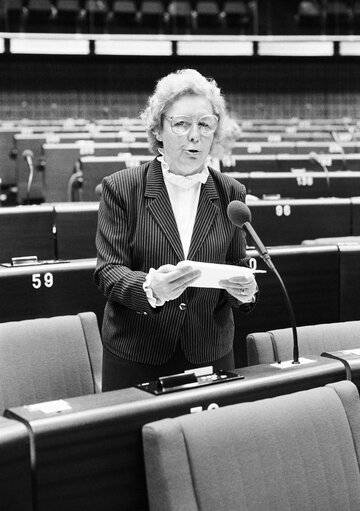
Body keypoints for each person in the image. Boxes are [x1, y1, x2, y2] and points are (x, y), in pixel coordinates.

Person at [94, 68, 258, 391]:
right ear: (158, 129)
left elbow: (236, 265)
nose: (194, 136)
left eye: (205, 125)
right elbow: (107, 272)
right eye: (181, 124)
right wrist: (150, 286)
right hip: (137, 353)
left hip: (210, 351)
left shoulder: (231, 193)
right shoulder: (121, 188)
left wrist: (245, 293)